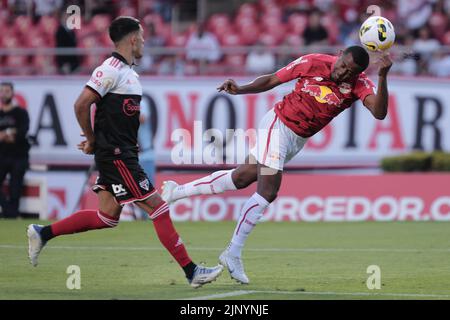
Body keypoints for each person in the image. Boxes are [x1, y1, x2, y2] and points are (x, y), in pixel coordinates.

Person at [161, 46, 393, 284]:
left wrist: (383, 76)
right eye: (342, 65)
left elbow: (379, 112)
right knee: (268, 192)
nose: (343, 73)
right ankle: (232, 252)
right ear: (340, 54)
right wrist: (240, 90)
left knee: (241, 178)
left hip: (296, 140)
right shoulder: (313, 62)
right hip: (278, 125)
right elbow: (273, 79)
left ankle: (176, 192)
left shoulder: (359, 84)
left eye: (349, 72)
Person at [27, 16, 223, 288]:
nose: (144, 42)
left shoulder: (127, 73)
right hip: (117, 156)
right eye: (141, 38)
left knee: (106, 216)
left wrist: (103, 140)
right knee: (158, 206)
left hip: (119, 153)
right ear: (132, 39)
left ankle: (42, 233)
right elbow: (81, 104)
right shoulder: (111, 69)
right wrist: (93, 140)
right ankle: (192, 272)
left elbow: (111, 115)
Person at [0, 82, 30, 219]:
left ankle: (12, 215)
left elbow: (21, 134)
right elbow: (13, 134)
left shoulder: (21, 113)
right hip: (2, 155)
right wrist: (9, 133)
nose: (4, 93)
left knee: (15, 187)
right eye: (2, 91)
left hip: (19, 156)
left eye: (7, 91)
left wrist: (5, 135)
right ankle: (10, 213)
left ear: (12, 93)